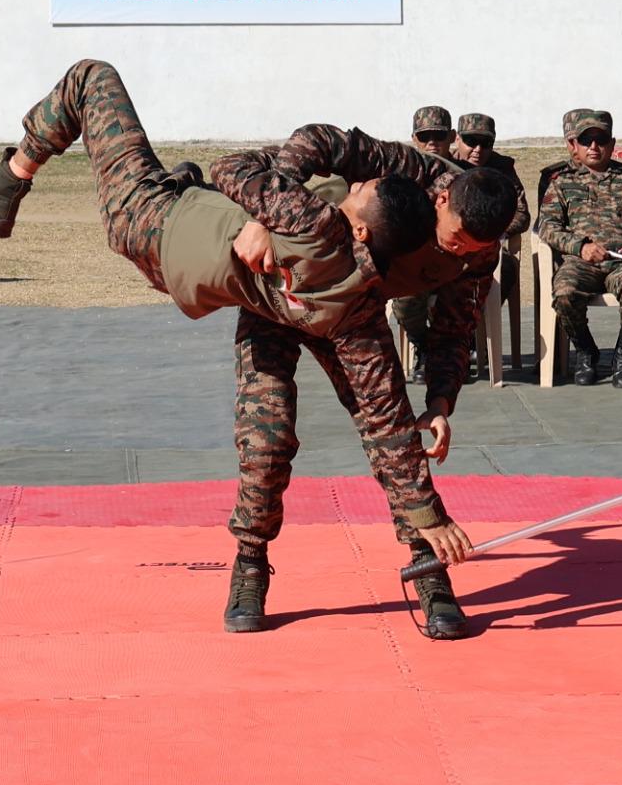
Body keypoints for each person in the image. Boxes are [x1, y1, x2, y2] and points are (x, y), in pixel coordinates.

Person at [218, 127, 523, 641]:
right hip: (280, 297)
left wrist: (441, 401)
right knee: (266, 437)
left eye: (474, 248)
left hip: (353, 316)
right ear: (441, 200)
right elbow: (315, 140)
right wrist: (266, 215)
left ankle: (427, 567)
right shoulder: (410, 170)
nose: (459, 252)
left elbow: (454, 329)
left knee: (395, 435)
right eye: (455, 239)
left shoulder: (477, 252)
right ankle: (250, 561)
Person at [0, 59, 438, 345]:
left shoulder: (313, 223)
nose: (357, 184)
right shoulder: (351, 297)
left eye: (365, 190)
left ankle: (5, 184)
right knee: (189, 173)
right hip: (179, 245)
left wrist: (269, 210)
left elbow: (239, 166)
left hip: (146, 216)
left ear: (362, 229)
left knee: (91, 78)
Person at [534, 109, 622, 387]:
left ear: (612, 143)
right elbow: (547, 226)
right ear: (575, 145)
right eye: (586, 140)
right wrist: (580, 247)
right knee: (564, 292)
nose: (594, 146)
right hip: (581, 262)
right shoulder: (561, 182)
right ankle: (586, 351)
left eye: (601, 140)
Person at [388, 105, 462, 379]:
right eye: (424, 136)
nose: (432, 142)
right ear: (414, 139)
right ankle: (425, 347)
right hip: (416, 260)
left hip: (458, 258)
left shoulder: (465, 176)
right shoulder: (401, 178)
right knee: (405, 300)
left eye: (439, 136)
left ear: (452, 137)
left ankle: (455, 349)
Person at [450, 113, 528, 316]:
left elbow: (521, 214)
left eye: (486, 143)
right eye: (471, 141)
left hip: (489, 245)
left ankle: (476, 323)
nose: (478, 149)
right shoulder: (444, 165)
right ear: (457, 139)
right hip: (452, 245)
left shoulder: (502, 169)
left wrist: (491, 233)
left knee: (506, 268)